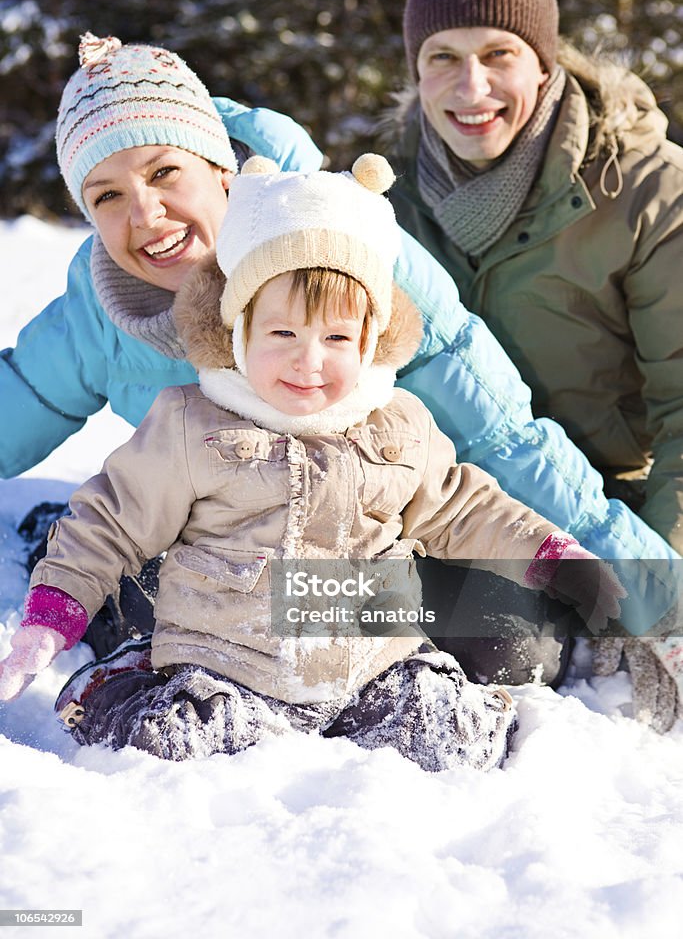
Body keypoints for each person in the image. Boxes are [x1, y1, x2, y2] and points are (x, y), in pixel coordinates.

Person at [0, 34, 677, 691]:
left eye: (163, 172)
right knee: (170, 587)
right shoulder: (102, 304)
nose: (144, 213)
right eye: (105, 196)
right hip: (205, 556)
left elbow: (499, 439)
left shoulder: (350, 249)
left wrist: (656, 594)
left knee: (516, 640)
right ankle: (87, 571)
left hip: (355, 548)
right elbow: (20, 397)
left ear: (222, 170)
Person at [0, 154, 628, 769]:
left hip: (371, 666)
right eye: (282, 335)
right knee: (172, 741)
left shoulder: (398, 424)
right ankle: (114, 683)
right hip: (226, 662)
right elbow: (109, 522)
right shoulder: (192, 423)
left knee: (457, 742)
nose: (309, 362)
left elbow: (464, 506)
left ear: (372, 340)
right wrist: (52, 615)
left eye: (336, 338)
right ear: (238, 332)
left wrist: (554, 554)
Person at [384, 0, 683, 726]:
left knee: (509, 647)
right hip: (448, 506)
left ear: (544, 64)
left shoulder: (648, 192)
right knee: (311, 603)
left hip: (602, 507)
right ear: (415, 74)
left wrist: (660, 578)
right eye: (441, 57)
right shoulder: (385, 195)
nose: (470, 86)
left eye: (498, 54)